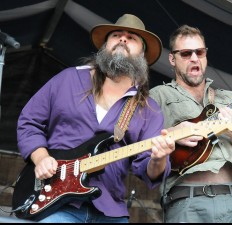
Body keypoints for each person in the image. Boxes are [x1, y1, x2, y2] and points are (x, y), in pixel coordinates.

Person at [16, 14, 175, 223]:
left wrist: (159, 158)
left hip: (109, 210)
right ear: (105, 46)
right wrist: (41, 157)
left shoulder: (148, 109)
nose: (123, 39)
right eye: (116, 34)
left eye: (132, 37)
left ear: (143, 54)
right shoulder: (68, 79)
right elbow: (29, 121)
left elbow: (150, 172)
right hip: (53, 203)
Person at [149, 25, 232, 223]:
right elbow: (142, 146)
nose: (194, 58)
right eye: (186, 53)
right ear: (172, 59)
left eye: (199, 52)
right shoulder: (158, 96)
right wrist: (174, 132)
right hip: (186, 200)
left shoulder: (229, 98)